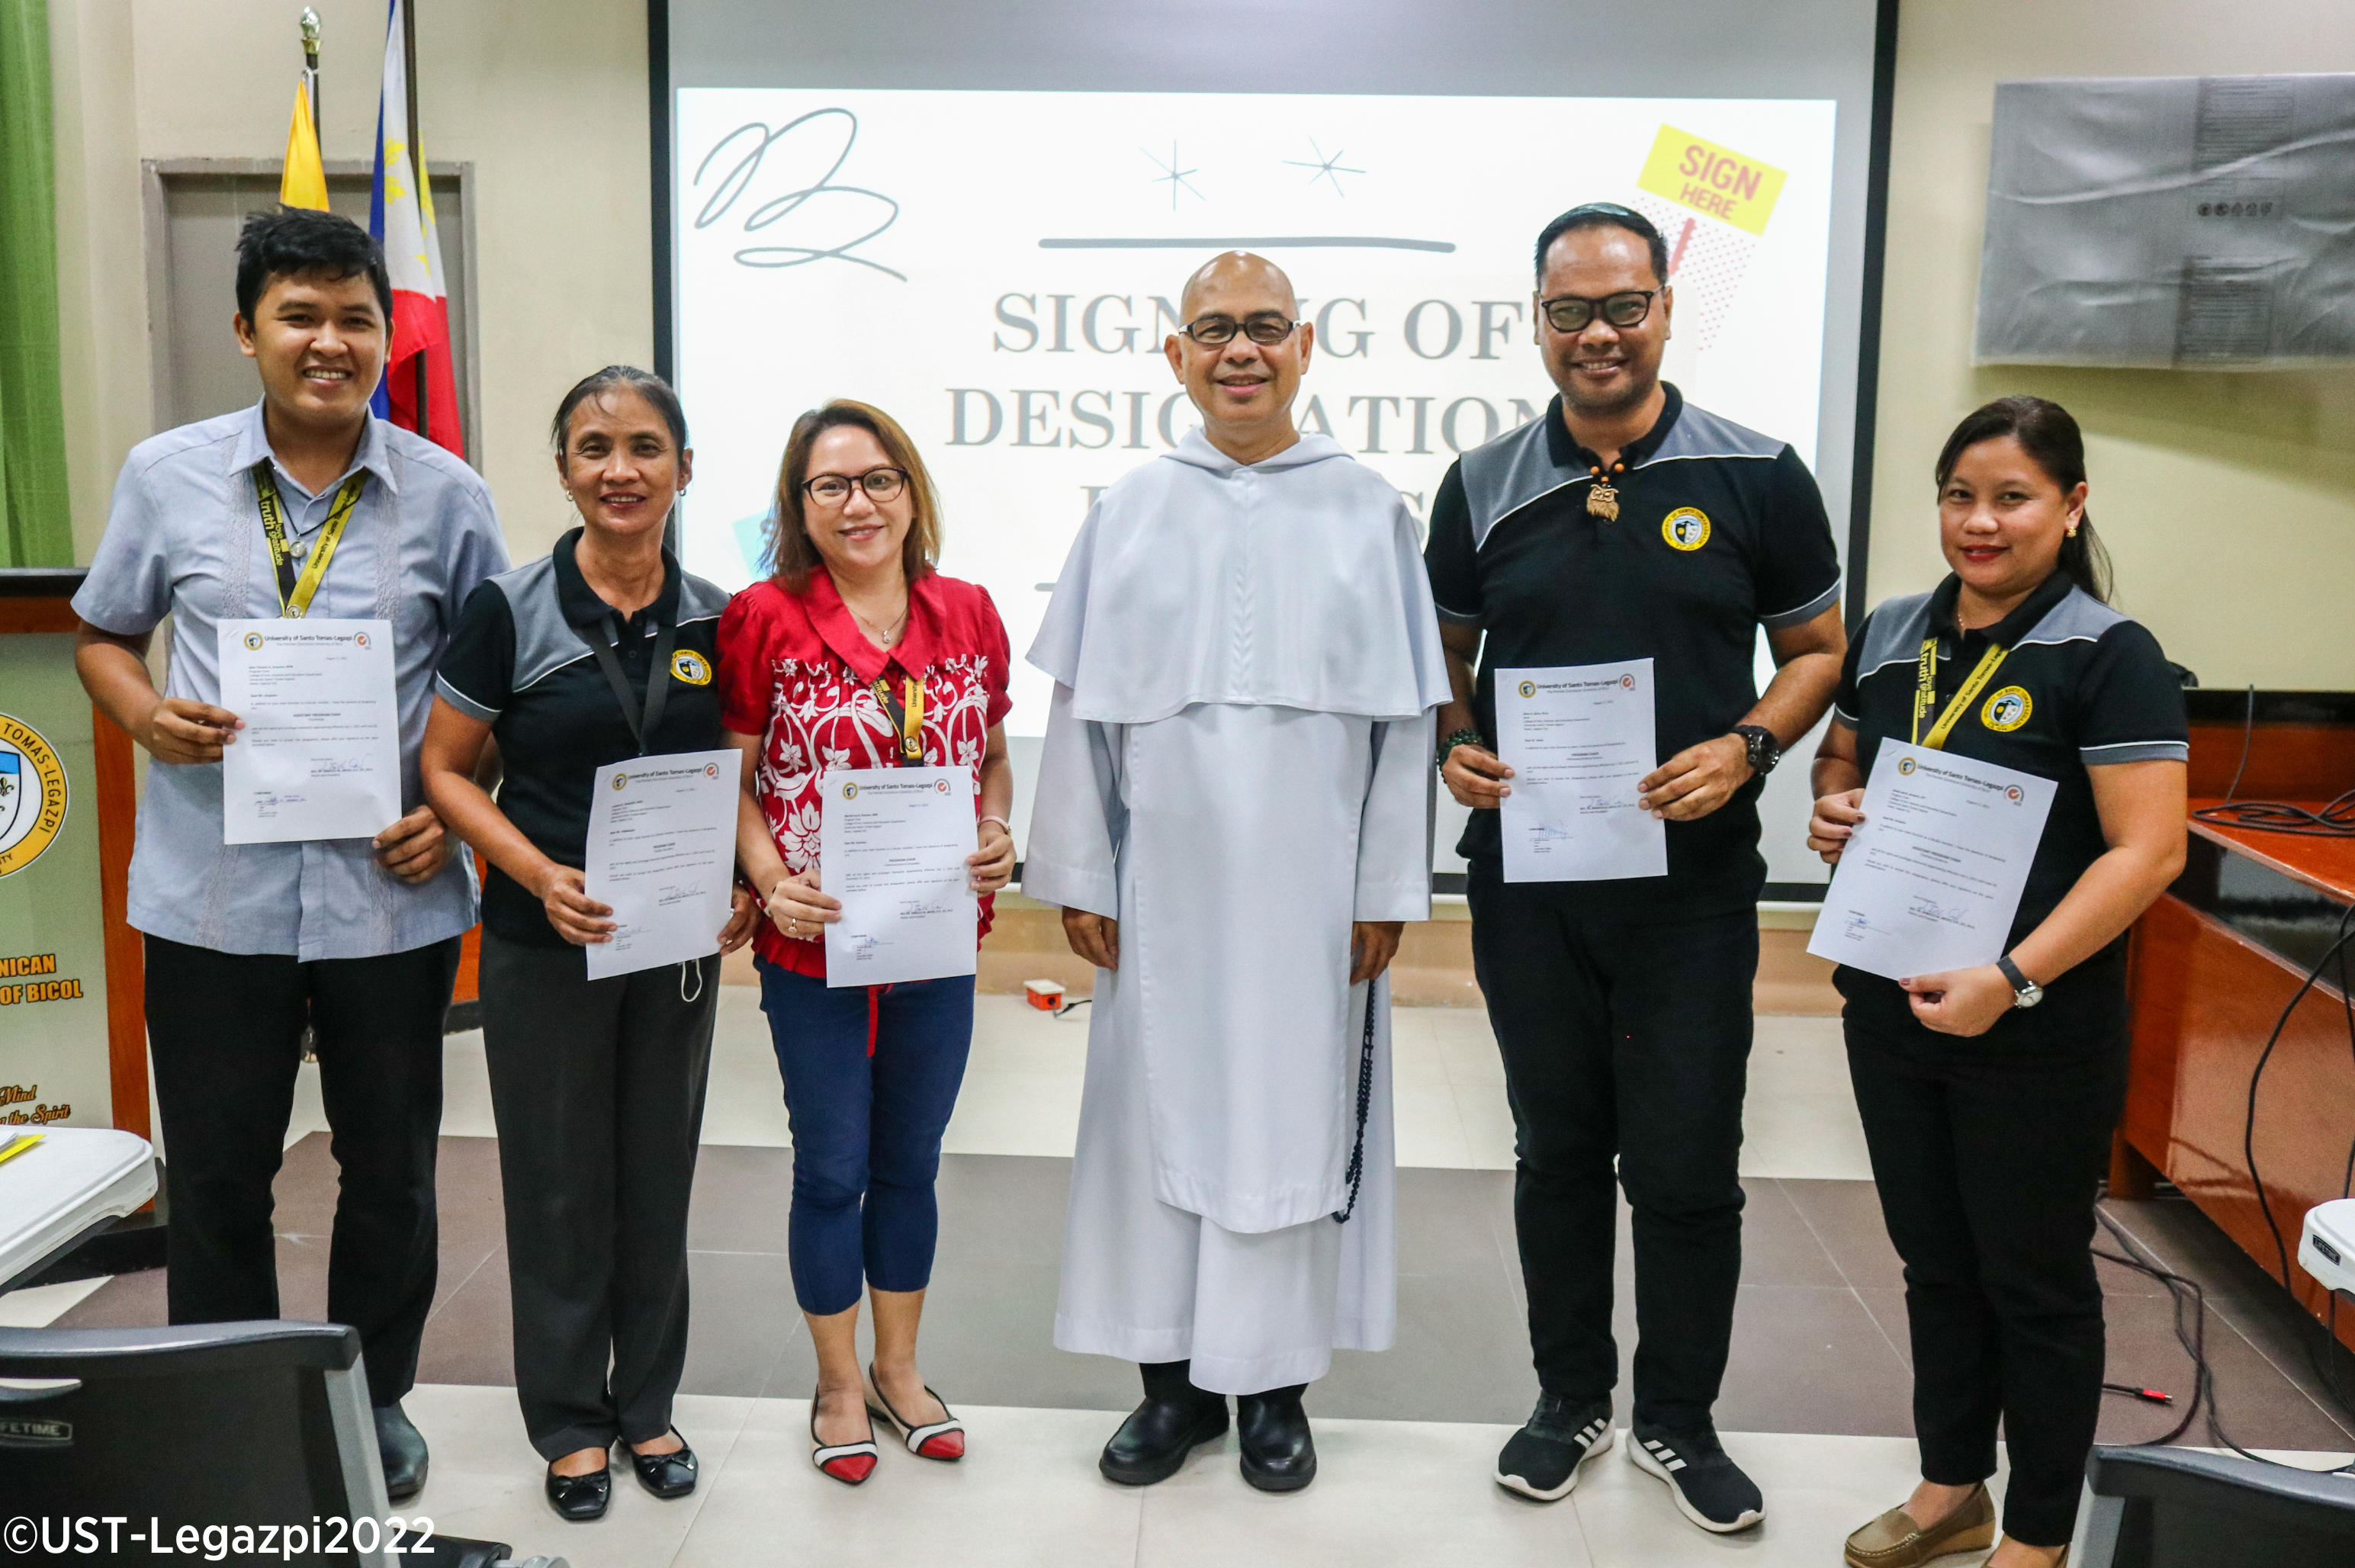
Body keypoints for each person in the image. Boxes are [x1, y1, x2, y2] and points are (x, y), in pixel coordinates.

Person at [70, 206, 508, 1500]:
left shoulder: (450, 494)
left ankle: (375, 1396)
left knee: (391, 1172)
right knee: (216, 1172)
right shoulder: (166, 475)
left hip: (393, 894)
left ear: (386, 333)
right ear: (246, 331)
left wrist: (458, 792)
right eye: (301, 317)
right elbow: (103, 633)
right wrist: (147, 714)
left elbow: (492, 693)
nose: (331, 343)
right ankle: (231, 1400)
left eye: (356, 318)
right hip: (216, 899)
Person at [1422, 202, 1848, 1534]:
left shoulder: (1759, 471)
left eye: (1621, 307)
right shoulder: (1482, 480)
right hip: (1531, 883)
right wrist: (1460, 742)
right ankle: (1569, 1400)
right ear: (1537, 322)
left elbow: (1821, 649)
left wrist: (1749, 747)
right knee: (1556, 1148)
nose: (1597, 334)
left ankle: (1677, 1416)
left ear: (1667, 308)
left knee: (1685, 1159)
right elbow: (1440, 654)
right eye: (1568, 312)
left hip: (1697, 888)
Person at [1026, 251, 1449, 1493]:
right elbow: (1078, 711)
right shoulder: (1130, 507)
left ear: (1306, 346)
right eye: (1215, 330)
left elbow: (1405, 728)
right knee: (1148, 1119)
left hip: (1315, 899)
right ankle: (1169, 1389)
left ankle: (1272, 1391)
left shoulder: (1369, 510)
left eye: (1266, 327)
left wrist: (1384, 887)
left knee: (1293, 1119)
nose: (1241, 351)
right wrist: (1082, 871)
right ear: (1176, 355)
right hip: (1163, 893)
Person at [1812, 397, 2186, 1568]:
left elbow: (2149, 851)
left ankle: (2036, 1537)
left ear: (2072, 509)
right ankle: (1949, 1490)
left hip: (2035, 1024)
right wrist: (1834, 809)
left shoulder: (2107, 656)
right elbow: (1844, 756)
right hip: (1892, 1005)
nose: (1981, 522)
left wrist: (2014, 977)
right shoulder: (1889, 632)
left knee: (2034, 1281)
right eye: (1960, 496)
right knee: (1936, 1265)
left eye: (2013, 497)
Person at [418, 367, 755, 1519]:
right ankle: (568, 1422)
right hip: (542, 943)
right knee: (560, 1186)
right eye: (596, 448)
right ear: (564, 469)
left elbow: (743, 772)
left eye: (647, 447)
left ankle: (648, 1407)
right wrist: (534, 873)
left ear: (686, 468)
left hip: (672, 948)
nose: (623, 470)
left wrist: (746, 881)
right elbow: (444, 772)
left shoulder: (722, 614)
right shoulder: (509, 611)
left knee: (657, 1177)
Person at [718, 400, 1016, 1485]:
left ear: (912, 491)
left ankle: (901, 1370)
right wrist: (766, 879)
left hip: (935, 942)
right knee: (833, 1168)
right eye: (831, 485)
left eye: (879, 479)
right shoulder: (763, 617)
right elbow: (736, 781)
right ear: (800, 506)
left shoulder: (970, 611)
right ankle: (837, 1382)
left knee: (912, 1164)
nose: (859, 502)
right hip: (819, 948)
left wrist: (995, 826)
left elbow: (987, 757)